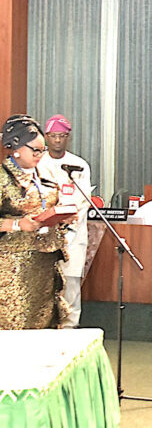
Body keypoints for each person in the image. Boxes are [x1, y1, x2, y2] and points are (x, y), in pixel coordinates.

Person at [0, 114, 75, 329]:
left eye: (42, 150)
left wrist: (62, 217)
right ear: (15, 148)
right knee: (17, 323)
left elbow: (50, 205)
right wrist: (17, 225)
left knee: (44, 323)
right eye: (35, 150)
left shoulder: (45, 174)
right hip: (13, 268)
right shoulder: (3, 177)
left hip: (45, 263)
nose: (39, 155)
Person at [36, 114, 92, 328]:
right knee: (44, 284)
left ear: (68, 137)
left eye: (62, 136)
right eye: (53, 136)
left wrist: (66, 223)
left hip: (72, 235)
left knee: (71, 285)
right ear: (46, 137)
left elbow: (83, 201)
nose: (57, 140)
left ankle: (70, 328)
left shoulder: (79, 165)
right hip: (43, 234)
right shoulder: (38, 163)